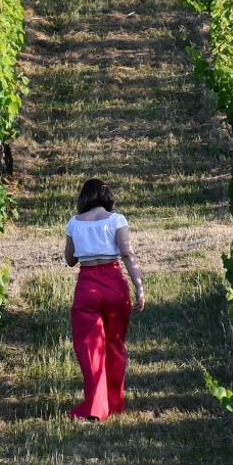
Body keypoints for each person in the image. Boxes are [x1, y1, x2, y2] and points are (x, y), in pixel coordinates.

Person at [63, 177, 144, 420]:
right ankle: (114, 403)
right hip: (114, 282)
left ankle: (96, 407)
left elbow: (70, 260)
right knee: (115, 343)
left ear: (84, 197)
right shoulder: (117, 219)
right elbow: (127, 253)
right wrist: (139, 286)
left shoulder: (74, 223)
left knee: (89, 347)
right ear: (107, 196)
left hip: (87, 285)